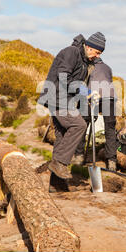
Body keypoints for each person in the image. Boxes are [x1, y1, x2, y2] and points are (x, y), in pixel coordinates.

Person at [38, 32, 105, 191]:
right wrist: (85, 92)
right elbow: (63, 78)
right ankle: (59, 163)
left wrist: (87, 95)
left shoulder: (83, 60)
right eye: (96, 53)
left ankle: (56, 184)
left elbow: (74, 84)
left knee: (62, 135)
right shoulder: (71, 52)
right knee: (78, 125)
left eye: (99, 55)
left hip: (65, 99)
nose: (96, 57)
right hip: (56, 97)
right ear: (89, 47)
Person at [73, 57, 118, 171]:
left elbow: (82, 86)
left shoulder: (88, 66)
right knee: (110, 128)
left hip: (92, 95)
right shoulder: (108, 67)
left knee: (82, 124)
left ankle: (79, 156)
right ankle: (112, 161)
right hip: (110, 96)